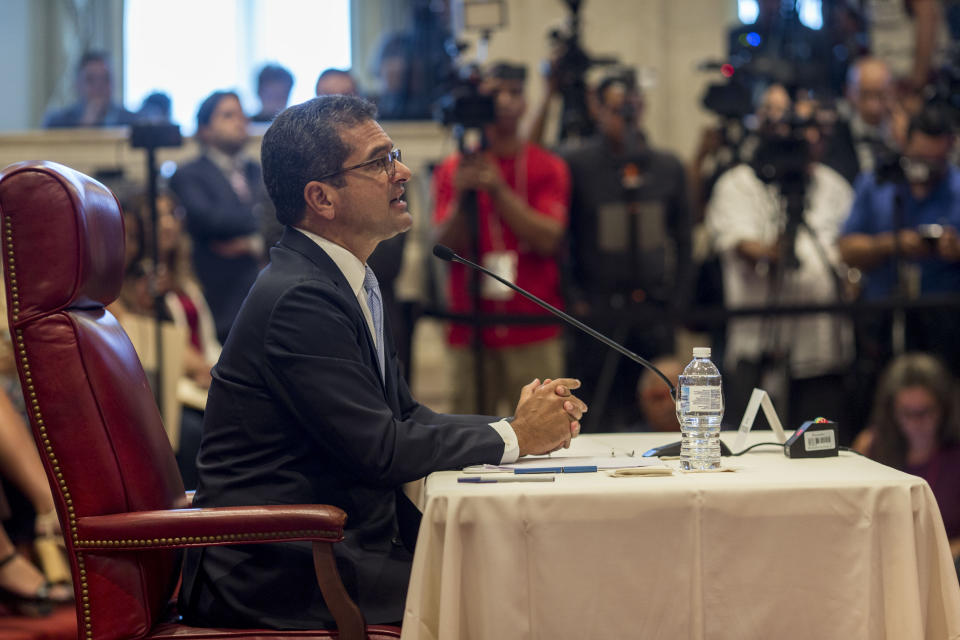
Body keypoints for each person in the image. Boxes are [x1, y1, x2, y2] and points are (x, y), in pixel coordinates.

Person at [179, 95, 587, 630]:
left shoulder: (344, 278)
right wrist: (514, 436)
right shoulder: (300, 299)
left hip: (329, 547)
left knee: (527, 561)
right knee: (527, 584)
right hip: (284, 567)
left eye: (392, 153)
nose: (404, 171)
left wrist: (514, 426)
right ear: (321, 197)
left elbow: (406, 416)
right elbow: (382, 449)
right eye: (379, 162)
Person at [433, 62, 571, 416]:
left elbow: (548, 238)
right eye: (497, 93)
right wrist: (464, 196)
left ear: (526, 102)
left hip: (533, 327)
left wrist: (498, 190)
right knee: (466, 437)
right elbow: (444, 245)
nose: (507, 101)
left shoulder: (547, 165)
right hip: (471, 330)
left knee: (545, 432)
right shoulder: (454, 167)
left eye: (516, 92)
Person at [706, 110, 855, 434]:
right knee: (755, 454)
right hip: (759, 351)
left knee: (821, 454)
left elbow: (851, 248)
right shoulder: (738, 184)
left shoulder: (833, 185)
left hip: (822, 353)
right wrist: (781, 237)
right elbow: (743, 248)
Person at [563, 73, 692, 430]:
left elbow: (684, 239)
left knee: (660, 407)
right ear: (599, 110)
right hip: (598, 312)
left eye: (633, 108)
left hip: (653, 310)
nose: (627, 118)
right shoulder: (579, 166)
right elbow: (564, 238)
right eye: (618, 109)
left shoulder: (667, 167)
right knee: (597, 412)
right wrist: (574, 297)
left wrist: (677, 300)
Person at [838, 104, 960, 375]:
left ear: (949, 150)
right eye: (918, 157)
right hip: (881, 320)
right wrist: (891, 244)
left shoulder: (956, 189)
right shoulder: (878, 183)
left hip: (946, 323)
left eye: (934, 161)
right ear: (905, 144)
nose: (924, 169)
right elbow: (846, 250)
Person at [170, 91, 268, 344]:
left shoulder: (258, 170)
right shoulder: (189, 174)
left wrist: (252, 243)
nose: (240, 121)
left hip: (265, 290)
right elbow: (210, 220)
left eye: (242, 114)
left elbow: (277, 218)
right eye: (228, 115)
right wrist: (259, 221)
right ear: (205, 129)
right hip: (221, 294)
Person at [852, 352, 960, 561]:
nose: (916, 423)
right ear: (892, 412)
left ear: (944, 408)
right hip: (885, 560)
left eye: (925, 412)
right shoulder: (870, 447)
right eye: (907, 413)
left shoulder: (955, 453)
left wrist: (937, 557)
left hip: (948, 563)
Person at [822, 57, 901, 185]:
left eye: (881, 94)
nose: (873, 107)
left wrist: (904, 144)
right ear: (850, 93)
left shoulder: (903, 134)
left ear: (892, 92)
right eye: (865, 95)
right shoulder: (834, 136)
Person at [42, 51, 136, 128]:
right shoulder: (57, 124)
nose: (99, 86)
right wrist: (84, 127)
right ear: (77, 85)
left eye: (105, 79)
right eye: (91, 80)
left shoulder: (133, 122)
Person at [634, 357, 683, 433]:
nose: (669, 406)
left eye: (678, 397)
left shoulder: (705, 438)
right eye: (659, 397)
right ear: (643, 399)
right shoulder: (627, 440)